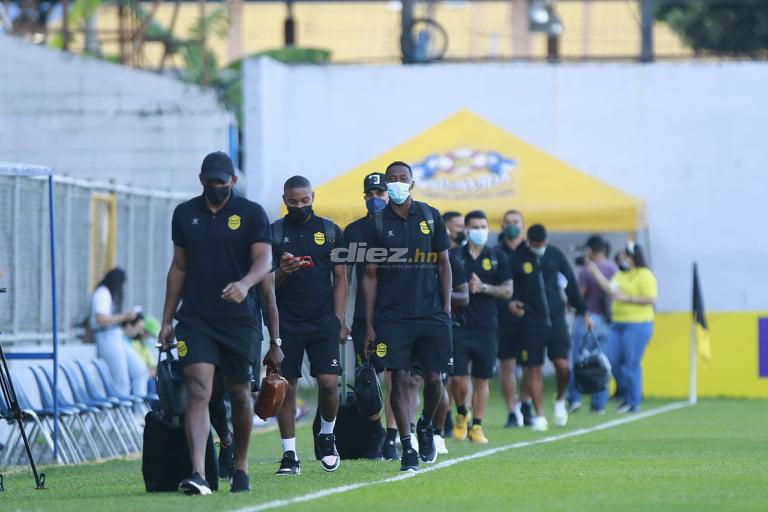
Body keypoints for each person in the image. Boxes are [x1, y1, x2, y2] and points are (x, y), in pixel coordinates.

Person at [159, 151, 273, 495]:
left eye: (221, 182)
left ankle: (240, 467)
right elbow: (179, 267)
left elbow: (264, 259)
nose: (216, 187)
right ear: (201, 180)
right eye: (210, 182)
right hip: (196, 318)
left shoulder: (252, 213)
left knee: (239, 394)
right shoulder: (184, 214)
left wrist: (245, 284)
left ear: (233, 181)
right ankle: (198, 472)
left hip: (239, 321)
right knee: (198, 390)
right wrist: (166, 320)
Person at [362, 161, 452, 472]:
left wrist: (446, 308)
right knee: (398, 378)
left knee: (434, 378)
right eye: (392, 179)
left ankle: (425, 423)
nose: (397, 183)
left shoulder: (430, 215)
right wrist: (369, 323)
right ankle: (407, 445)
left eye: (403, 178)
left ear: (412, 183)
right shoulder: (376, 223)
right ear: (386, 184)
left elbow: (443, 263)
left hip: (431, 313)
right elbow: (370, 275)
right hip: (392, 316)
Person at [272, 175, 347, 476]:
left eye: (305, 200)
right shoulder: (275, 232)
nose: (300, 206)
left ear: (313, 197)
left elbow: (341, 277)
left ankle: (327, 435)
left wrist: (338, 319)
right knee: (286, 387)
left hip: (322, 320)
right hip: (286, 322)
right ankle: (289, 454)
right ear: (285, 201)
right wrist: (283, 271)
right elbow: (265, 284)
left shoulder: (330, 231)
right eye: (293, 202)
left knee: (329, 384)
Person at [515, 224, 590, 431]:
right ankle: (539, 415)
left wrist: (583, 311)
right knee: (533, 369)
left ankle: (560, 399)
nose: (541, 247)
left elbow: (571, 283)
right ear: (530, 242)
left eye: (544, 243)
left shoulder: (555, 255)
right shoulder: (518, 258)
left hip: (557, 321)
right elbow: (511, 288)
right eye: (537, 244)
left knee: (563, 365)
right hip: (530, 323)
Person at [449, 210, 512, 443]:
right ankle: (461, 413)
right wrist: (463, 289)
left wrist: (483, 287)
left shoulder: (497, 257)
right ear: (466, 229)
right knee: (458, 378)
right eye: (475, 227)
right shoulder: (454, 255)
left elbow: (508, 290)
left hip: (487, 326)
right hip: (459, 325)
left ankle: (477, 426)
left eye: (483, 226)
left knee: (482, 379)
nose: (480, 231)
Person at [342, 172, 392, 460]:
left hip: (397, 315)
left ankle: (395, 435)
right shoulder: (353, 231)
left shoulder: (402, 228)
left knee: (396, 376)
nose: (375, 199)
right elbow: (345, 278)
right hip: (364, 317)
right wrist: (341, 318)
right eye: (370, 194)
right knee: (367, 378)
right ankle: (377, 432)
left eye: (380, 194)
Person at [587, 242, 657, 413]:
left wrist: (627, 299)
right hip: (617, 323)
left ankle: (633, 401)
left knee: (632, 362)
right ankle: (628, 393)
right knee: (611, 360)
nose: (622, 259)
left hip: (638, 324)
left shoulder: (645, 274)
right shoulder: (620, 274)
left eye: (625, 256)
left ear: (632, 257)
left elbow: (651, 298)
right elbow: (610, 288)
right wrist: (595, 272)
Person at [567, 235, 617, 414]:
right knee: (601, 362)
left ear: (589, 250)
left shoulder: (587, 271)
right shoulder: (613, 268)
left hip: (587, 319)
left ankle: (575, 399)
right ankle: (599, 403)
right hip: (606, 320)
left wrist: (569, 303)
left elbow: (579, 295)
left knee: (579, 360)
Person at [432, 249, 469, 454]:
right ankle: (406, 433)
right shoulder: (407, 256)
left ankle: (437, 433)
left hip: (442, 327)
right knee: (406, 380)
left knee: (439, 380)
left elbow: (464, 296)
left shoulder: (451, 261)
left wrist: (440, 293)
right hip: (409, 323)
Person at [90, 268, 147, 397]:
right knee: (121, 383)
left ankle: (139, 408)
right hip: (106, 337)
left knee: (140, 371)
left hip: (115, 336)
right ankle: (122, 409)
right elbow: (101, 319)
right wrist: (126, 316)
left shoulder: (110, 295)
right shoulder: (103, 293)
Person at [496, 210, 528, 427]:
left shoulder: (531, 251)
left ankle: (524, 402)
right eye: (507, 222)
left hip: (529, 317)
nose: (511, 226)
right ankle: (512, 411)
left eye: (515, 222)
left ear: (522, 225)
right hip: (504, 317)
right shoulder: (496, 253)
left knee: (530, 366)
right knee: (507, 366)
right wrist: (507, 304)